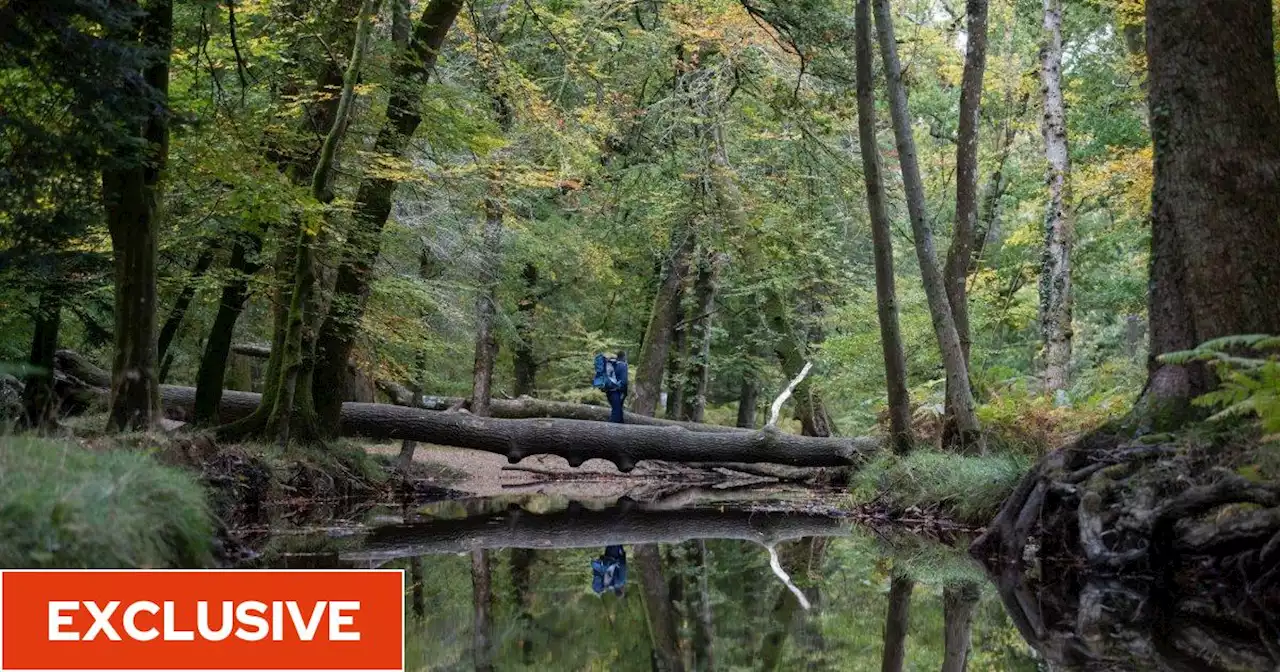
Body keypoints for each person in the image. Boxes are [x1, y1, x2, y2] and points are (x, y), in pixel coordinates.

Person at [594, 350, 629, 423]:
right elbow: (624, 381)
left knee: (618, 412)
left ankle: (621, 432)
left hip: (609, 391)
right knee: (616, 413)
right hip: (617, 392)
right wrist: (624, 393)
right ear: (624, 357)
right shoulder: (622, 365)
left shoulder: (613, 364)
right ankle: (610, 431)